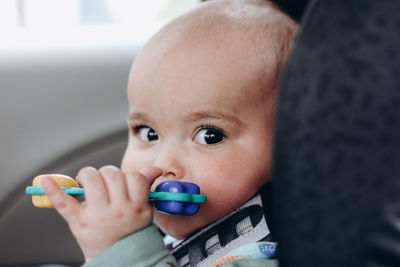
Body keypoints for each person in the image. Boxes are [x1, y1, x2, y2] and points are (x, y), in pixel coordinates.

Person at [42, 0, 297, 266]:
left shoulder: (270, 255)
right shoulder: (172, 237)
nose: (162, 164)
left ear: (289, 145)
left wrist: (121, 249)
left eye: (209, 135)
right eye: (148, 132)